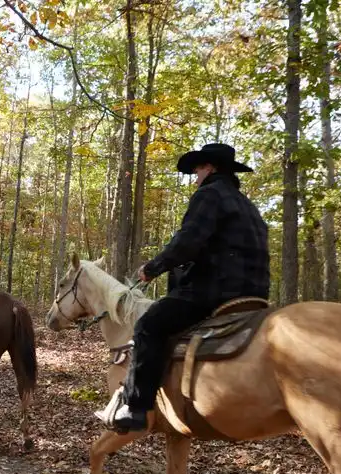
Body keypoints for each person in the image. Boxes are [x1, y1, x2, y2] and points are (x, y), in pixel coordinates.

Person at [95, 143, 270, 433]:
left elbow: (188, 242)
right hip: (254, 294)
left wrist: (152, 268)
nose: (195, 176)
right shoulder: (248, 205)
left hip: (215, 290)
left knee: (149, 325)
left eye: (198, 169)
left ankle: (135, 407)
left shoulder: (209, 195)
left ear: (210, 168)